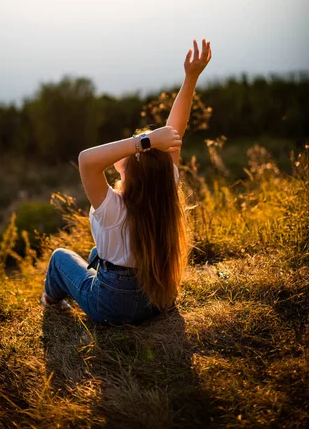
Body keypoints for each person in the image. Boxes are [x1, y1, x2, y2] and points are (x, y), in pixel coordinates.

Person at [42, 38, 212, 325]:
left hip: (112, 306)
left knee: (60, 258)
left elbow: (86, 159)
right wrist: (190, 78)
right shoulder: (164, 188)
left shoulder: (112, 208)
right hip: (158, 300)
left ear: (133, 165)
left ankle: (50, 302)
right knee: (97, 252)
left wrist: (143, 141)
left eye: (135, 150)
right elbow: (174, 132)